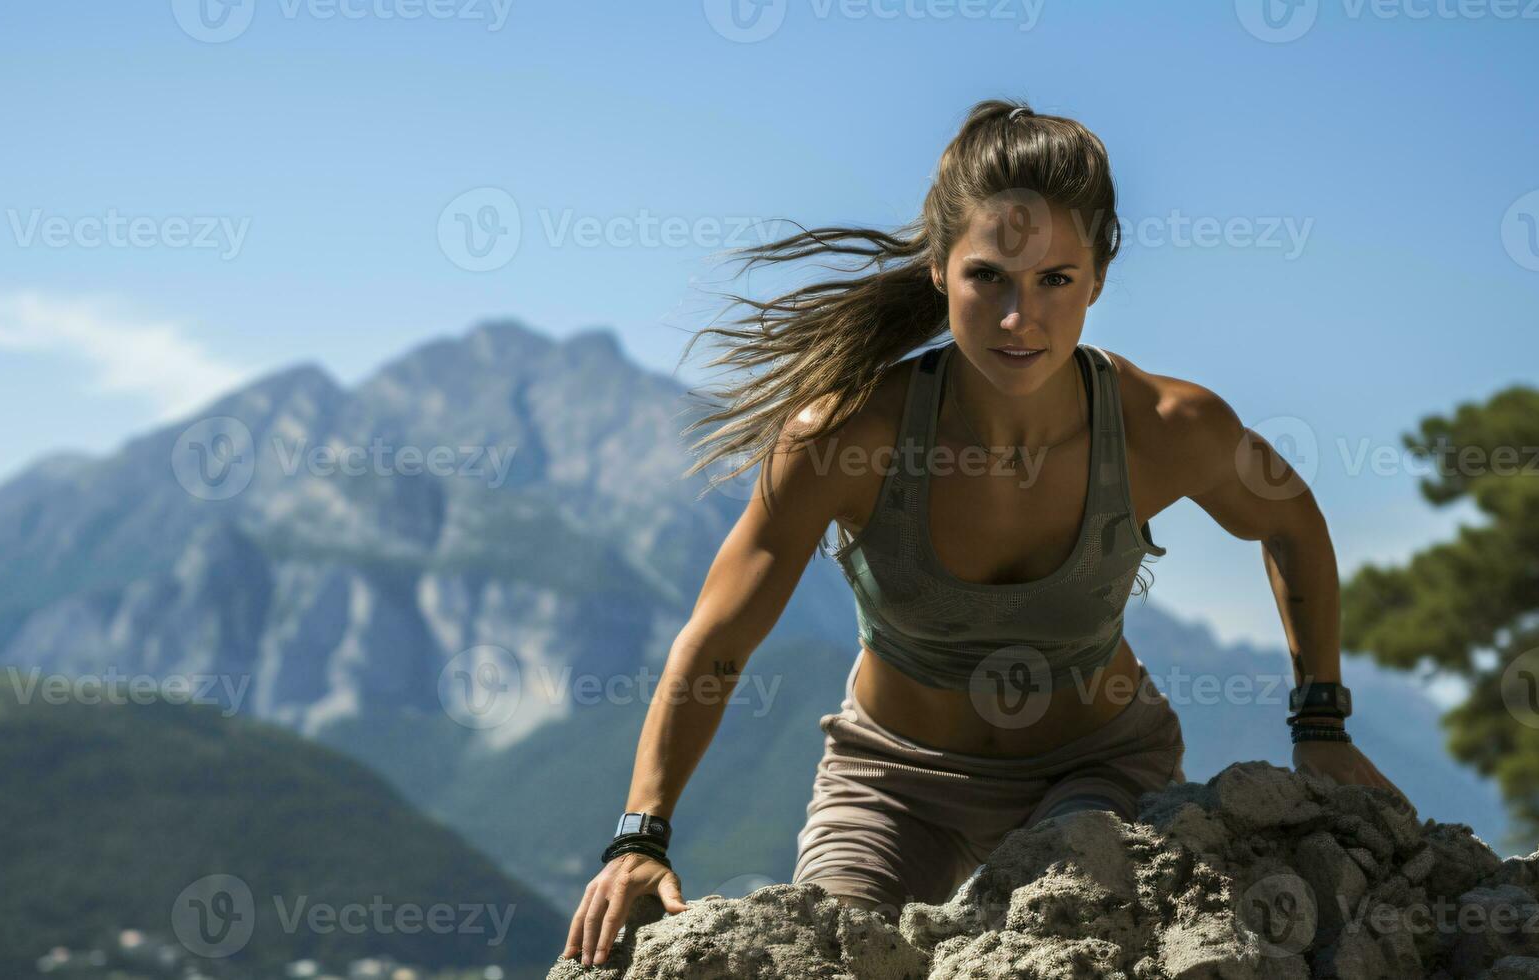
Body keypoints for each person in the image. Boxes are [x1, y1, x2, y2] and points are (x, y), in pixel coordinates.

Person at [561, 98, 1411, 968]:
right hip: (889, 785)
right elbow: (719, 636)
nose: (1020, 320)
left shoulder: (1166, 426)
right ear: (938, 269)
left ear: (1098, 278)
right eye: (989, 278)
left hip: (1098, 770)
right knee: (823, 958)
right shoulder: (847, 437)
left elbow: (1293, 524)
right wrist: (641, 835)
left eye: (1054, 280)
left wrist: (1320, 725)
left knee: (1058, 933)